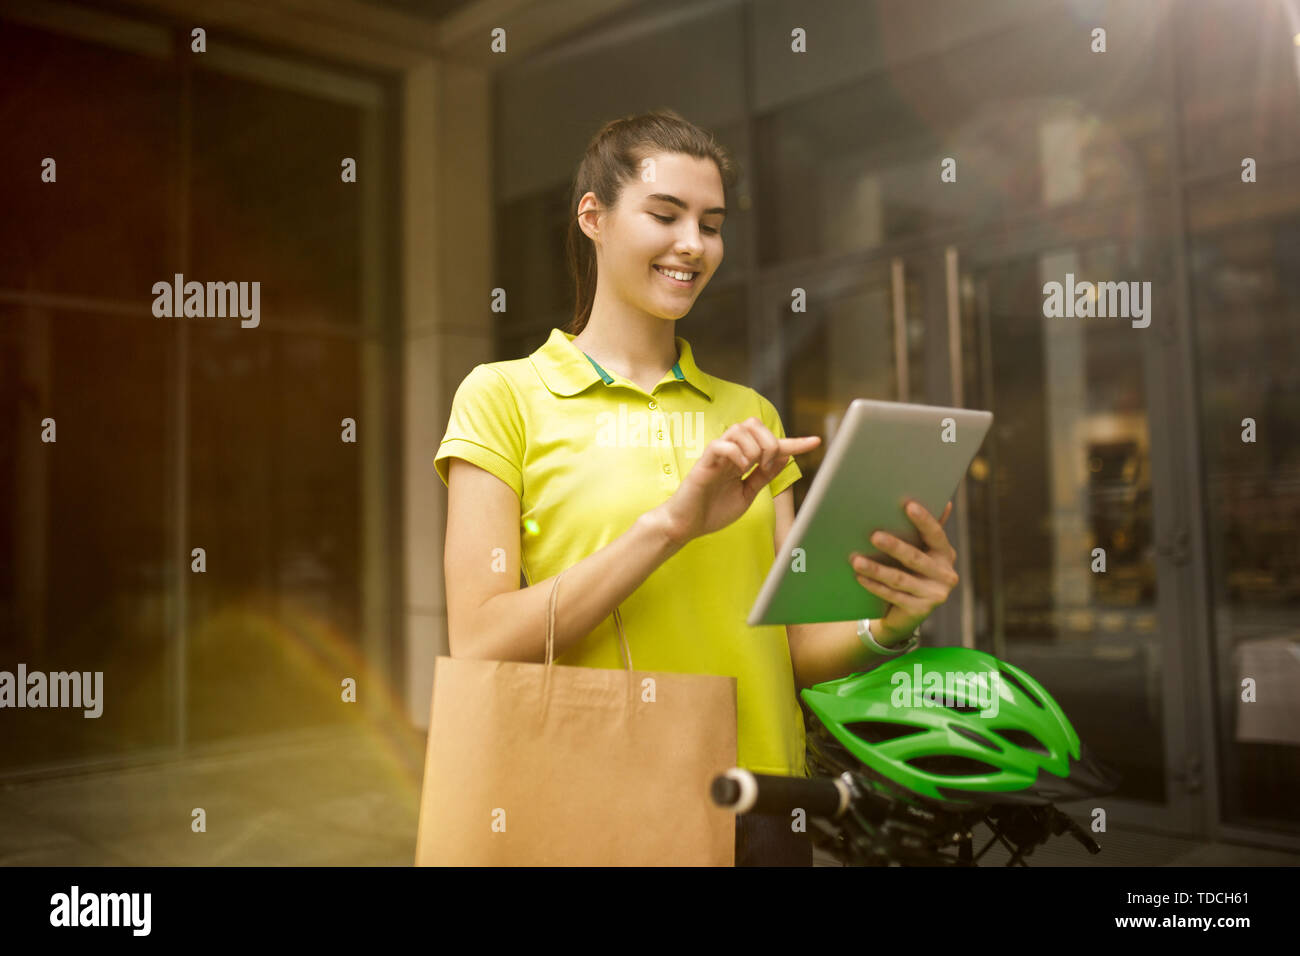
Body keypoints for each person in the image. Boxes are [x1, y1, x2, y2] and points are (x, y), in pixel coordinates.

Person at [434, 109, 960, 867]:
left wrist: (894, 621)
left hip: (769, 807)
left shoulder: (750, 414)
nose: (693, 244)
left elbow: (797, 650)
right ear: (595, 217)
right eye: (665, 214)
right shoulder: (505, 396)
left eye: (711, 223)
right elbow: (480, 642)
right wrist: (671, 525)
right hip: (603, 806)